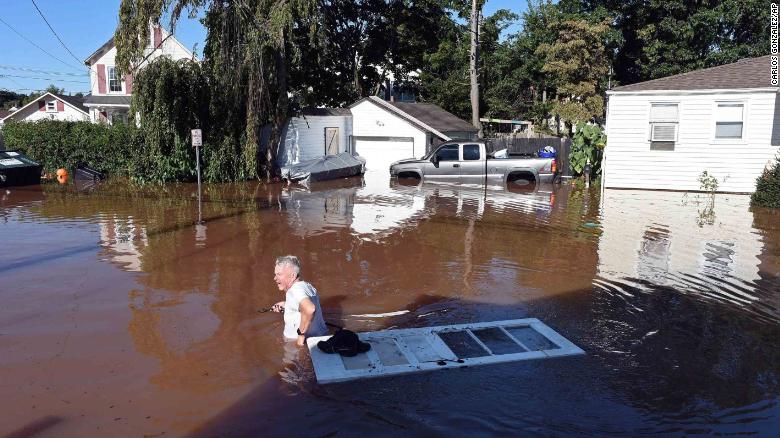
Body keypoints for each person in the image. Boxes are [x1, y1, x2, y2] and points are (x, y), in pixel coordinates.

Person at [271, 255, 328, 346]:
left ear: (292, 276)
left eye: (279, 274)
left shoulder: (295, 290)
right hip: (319, 338)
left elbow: (309, 309)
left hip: (297, 345)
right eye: (275, 274)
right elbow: (302, 306)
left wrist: (300, 336)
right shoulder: (307, 286)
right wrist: (286, 305)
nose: (275, 278)